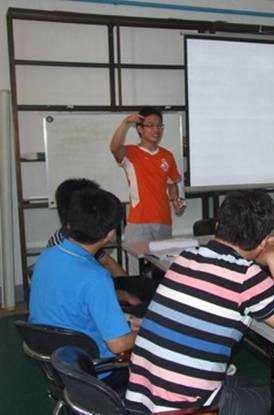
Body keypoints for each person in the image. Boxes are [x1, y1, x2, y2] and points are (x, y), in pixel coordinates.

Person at [125, 190, 274, 415]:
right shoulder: (245, 276)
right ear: (262, 242)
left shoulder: (185, 257)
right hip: (186, 408)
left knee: (249, 385)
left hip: (141, 397)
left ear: (218, 224)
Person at [29, 188, 138, 390]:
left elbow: (73, 296)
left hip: (55, 360)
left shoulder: (48, 255)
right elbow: (118, 345)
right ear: (110, 234)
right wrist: (148, 330)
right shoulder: (96, 277)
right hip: (95, 371)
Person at [46, 178, 157, 316]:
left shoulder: (69, 243)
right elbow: (91, 292)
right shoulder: (94, 276)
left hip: (67, 313)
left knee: (145, 285)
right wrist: (125, 297)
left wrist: (128, 288)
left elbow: (106, 262)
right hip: (84, 316)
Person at [110, 106, 185, 243]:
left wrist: (177, 202)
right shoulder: (130, 152)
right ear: (140, 129)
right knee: (139, 258)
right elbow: (114, 148)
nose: (156, 130)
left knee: (163, 258)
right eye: (150, 125)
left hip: (164, 222)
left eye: (159, 126)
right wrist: (126, 123)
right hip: (139, 223)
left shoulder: (167, 155)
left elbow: (172, 183)